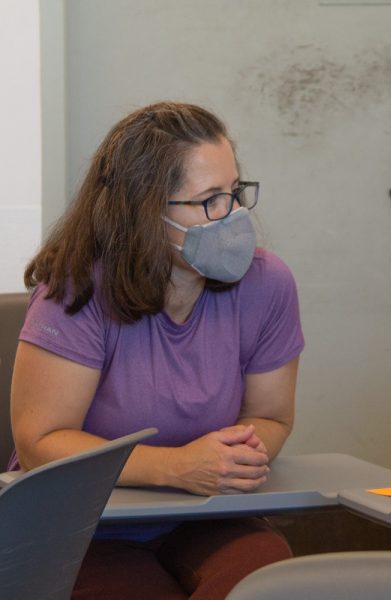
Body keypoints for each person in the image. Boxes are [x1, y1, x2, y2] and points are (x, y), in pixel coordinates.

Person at [9, 102, 304, 599]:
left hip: (205, 514)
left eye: (235, 193)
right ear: (144, 208)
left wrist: (238, 461)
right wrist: (178, 467)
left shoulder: (267, 282)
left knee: (266, 580)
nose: (232, 215)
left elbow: (271, 418)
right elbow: (41, 443)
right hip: (84, 522)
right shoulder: (76, 289)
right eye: (210, 199)